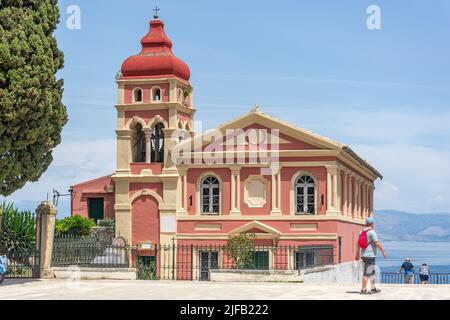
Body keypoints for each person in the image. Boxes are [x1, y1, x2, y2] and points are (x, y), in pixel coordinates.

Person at [355, 217, 388, 295]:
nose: (375, 224)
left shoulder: (361, 231)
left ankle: (373, 288)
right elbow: (377, 243)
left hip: (364, 255)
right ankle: (363, 290)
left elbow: (358, 244)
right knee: (367, 273)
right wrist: (383, 252)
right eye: (374, 223)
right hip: (370, 255)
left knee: (372, 272)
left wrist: (357, 254)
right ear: (372, 224)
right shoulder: (372, 232)